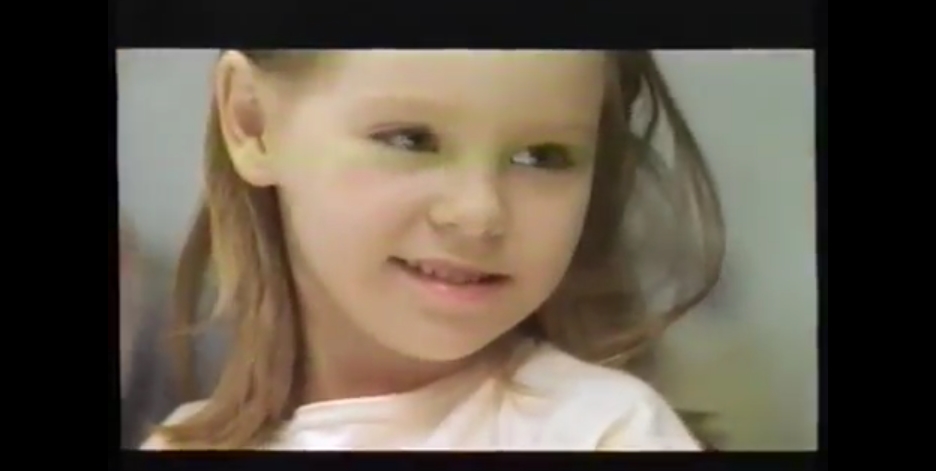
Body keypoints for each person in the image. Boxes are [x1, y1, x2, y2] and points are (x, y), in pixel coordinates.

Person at [142, 50, 725, 451]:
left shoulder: (607, 432)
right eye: (411, 140)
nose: (479, 212)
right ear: (250, 121)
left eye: (542, 156)